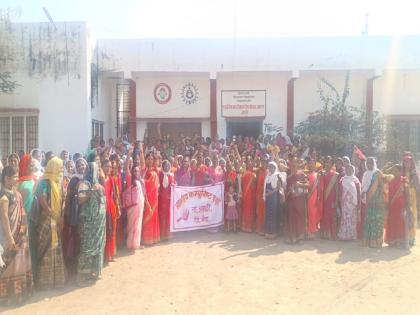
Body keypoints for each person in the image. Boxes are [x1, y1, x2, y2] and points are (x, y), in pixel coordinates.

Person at [0, 166, 33, 305]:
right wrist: (9, 237)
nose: (17, 178)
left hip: (21, 235)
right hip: (12, 236)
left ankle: (21, 294)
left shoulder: (16, 193)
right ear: (7, 179)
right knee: (10, 265)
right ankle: (8, 296)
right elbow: (5, 218)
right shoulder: (4, 196)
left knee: (20, 263)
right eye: (15, 176)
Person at [33, 157, 66, 289]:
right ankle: (44, 282)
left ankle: (56, 280)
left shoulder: (58, 182)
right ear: (53, 167)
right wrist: (55, 216)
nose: (61, 169)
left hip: (57, 219)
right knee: (46, 249)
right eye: (59, 166)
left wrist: (61, 217)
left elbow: (62, 200)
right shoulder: (44, 183)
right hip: (46, 220)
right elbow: (43, 203)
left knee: (56, 248)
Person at [77, 162, 106, 286]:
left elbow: (103, 200)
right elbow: (80, 199)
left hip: (99, 224)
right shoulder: (84, 184)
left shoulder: (99, 185)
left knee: (98, 247)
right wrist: (91, 191)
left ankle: (95, 272)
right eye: (96, 170)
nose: (98, 172)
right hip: (88, 224)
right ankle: (82, 276)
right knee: (87, 248)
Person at [62, 158, 87, 278]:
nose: (81, 166)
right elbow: (68, 196)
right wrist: (67, 211)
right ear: (76, 167)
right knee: (76, 235)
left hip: (87, 211)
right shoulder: (74, 179)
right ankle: (73, 264)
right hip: (76, 210)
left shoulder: (89, 178)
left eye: (83, 164)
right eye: (79, 165)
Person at [17, 154, 37, 275]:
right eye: (29, 164)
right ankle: (27, 274)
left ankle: (34, 273)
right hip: (25, 220)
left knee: (34, 245)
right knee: (26, 247)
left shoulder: (34, 179)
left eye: (32, 164)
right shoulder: (20, 182)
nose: (31, 166)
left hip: (35, 217)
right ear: (24, 165)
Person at [363, 157, 388, 248]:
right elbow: (364, 186)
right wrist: (362, 193)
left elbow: (382, 187)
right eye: (368, 163)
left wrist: (381, 199)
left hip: (377, 200)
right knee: (369, 219)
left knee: (377, 220)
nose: (370, 164)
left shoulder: (378, 173)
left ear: (374, 163)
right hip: (369, 199)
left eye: (371, 163)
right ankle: (369, 241)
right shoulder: (365, 174)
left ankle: (377, 242)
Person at [384, 165, 409, 248]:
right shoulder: (391, 180)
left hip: (400, 204)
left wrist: (406, 205)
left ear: (401, 171)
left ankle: (400, 241)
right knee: (392, 221)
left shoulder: (404, 180)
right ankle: (392, 240)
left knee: (399, 222)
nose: (394, 172)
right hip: (392, 205)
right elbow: (387, 192)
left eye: (396, 170)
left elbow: (407, 193)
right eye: (393, 170)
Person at [285, 157, 307, 244]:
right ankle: (292, 237)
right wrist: (290, 191)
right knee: (291, 218)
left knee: (300, 217)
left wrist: (299, 184)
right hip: (291, 199)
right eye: (292, 163)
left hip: (299, 199)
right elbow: (286, 189)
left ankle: (300, 237)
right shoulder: (289, 177)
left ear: (298, 163)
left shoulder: (302, 174)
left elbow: (308, 185)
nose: (293, 164)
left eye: (295, 162)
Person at [124, 165, 145, 251]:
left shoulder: (140, 181)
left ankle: (136, 244)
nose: (136, 172)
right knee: (132, 225)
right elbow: (126, 169)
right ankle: (130, 244)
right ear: (132, 172)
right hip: (133, 206)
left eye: (138, 171)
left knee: (138, 225)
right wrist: (128, 156)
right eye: (135, 171)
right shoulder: (130, 180)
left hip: (140, 204)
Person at [141, 153, 161, 245]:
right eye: (148, 159)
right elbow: (142, 183)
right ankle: (145, 239)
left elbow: (157, 185)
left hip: (154, 199)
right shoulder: (143, 171)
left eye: (151, 159)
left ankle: (153, 238)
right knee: (146, 216)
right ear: (145, 160)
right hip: (146, 198)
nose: (150, 160)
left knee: (153, 216)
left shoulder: (155, 171)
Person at [337, 165, 361, 241]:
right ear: (345, 170)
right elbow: (339, 191)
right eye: (347, 169)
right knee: (345, 218)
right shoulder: (342, 180)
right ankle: (344, 235)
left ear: (353, 170)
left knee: (352, 218)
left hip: (353, 203)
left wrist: (358, 203)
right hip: (344, 203)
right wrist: (339, 200)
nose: (349, 171)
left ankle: (351, 235)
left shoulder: (356, 180)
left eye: (351, 169)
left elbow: (359, 193)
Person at [102, 159, 119, 262]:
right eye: (106, 166)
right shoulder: (100, 179)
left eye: (110, 167)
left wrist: (118, 207)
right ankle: (104, 255)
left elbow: (115, 195)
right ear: (102, 167)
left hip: (111, 207)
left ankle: (110, 254)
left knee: (112, 231)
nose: (108, 169)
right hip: (103, 208)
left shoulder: (112, 179)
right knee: (105, 231)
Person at [320, 156, 339, 240]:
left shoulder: (335, 175)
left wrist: (337, 200)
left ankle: (332, 234)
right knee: (323, 215)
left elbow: (337, 188)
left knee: (331, 215)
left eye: (330, 163)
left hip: (331, 198)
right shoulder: (321, 173)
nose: (328, 164)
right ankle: (324, 233)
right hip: (323, 198)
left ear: (332, 164)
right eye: (326, 162)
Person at [402, 153, 419, 246]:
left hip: (412, 196)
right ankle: (403, 236)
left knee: (412, 215)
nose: (407, 163)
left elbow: (417, 187)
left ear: (411, 163)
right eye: (405, 161)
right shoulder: (402, 172)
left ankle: (411, 237)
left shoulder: (414, 173)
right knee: (403, 216)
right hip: (403, 196)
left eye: (409, 161)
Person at [264, 161, 281, 239]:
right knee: (268, 214)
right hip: (268, 197)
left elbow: (278, 187)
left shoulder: (277, 175)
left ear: (275, 168)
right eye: (269, 166)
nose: (270, 168)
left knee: (273, 214)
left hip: (274, 197)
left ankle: (273, 233)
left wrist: (271, 193)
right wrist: (265, 194)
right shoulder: (268, 176)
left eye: (272, 167)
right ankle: (268, 232)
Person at [158, 160, 174, 241]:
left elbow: (174, 185)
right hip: (161, 199)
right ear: (162, 166)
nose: (166, 167)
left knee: (168, 217)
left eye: (168, 166)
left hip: (169, 200)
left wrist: (175, 185)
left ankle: (167, 234)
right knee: (162, 216)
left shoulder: (172, 175)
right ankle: (161, 234)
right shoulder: (159, 175)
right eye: (165, 166)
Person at [306, 158, 321, 239]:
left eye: (312, 163)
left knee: (312, 213)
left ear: (315, 165)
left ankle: (312, 231)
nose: (311, 165)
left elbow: (318, 187)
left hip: (313, 196)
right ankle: (309, 230)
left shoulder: (317, 175)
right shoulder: (306, 174)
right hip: (306, 196)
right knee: (308, 213)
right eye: (310, 163)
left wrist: (318, 197)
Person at [240, 159, 256, 232]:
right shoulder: (245, 174)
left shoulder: (253, 174)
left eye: (250, 164)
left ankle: (248, 227)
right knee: (246, 210)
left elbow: (253, 186)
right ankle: (246, 226)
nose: (250, 165)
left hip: (250, 195)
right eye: (248, 164)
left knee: (249, 210)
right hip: (246, 195)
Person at [255, 158, 268, 235]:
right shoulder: (259, 171)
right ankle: (259, 228)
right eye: (262, 162)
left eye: (264, 163)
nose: (263, 164)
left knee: (264, 212)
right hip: (258, 194)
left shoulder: (268, 172)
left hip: (265, 195)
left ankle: (264, 229)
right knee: (259, 211)